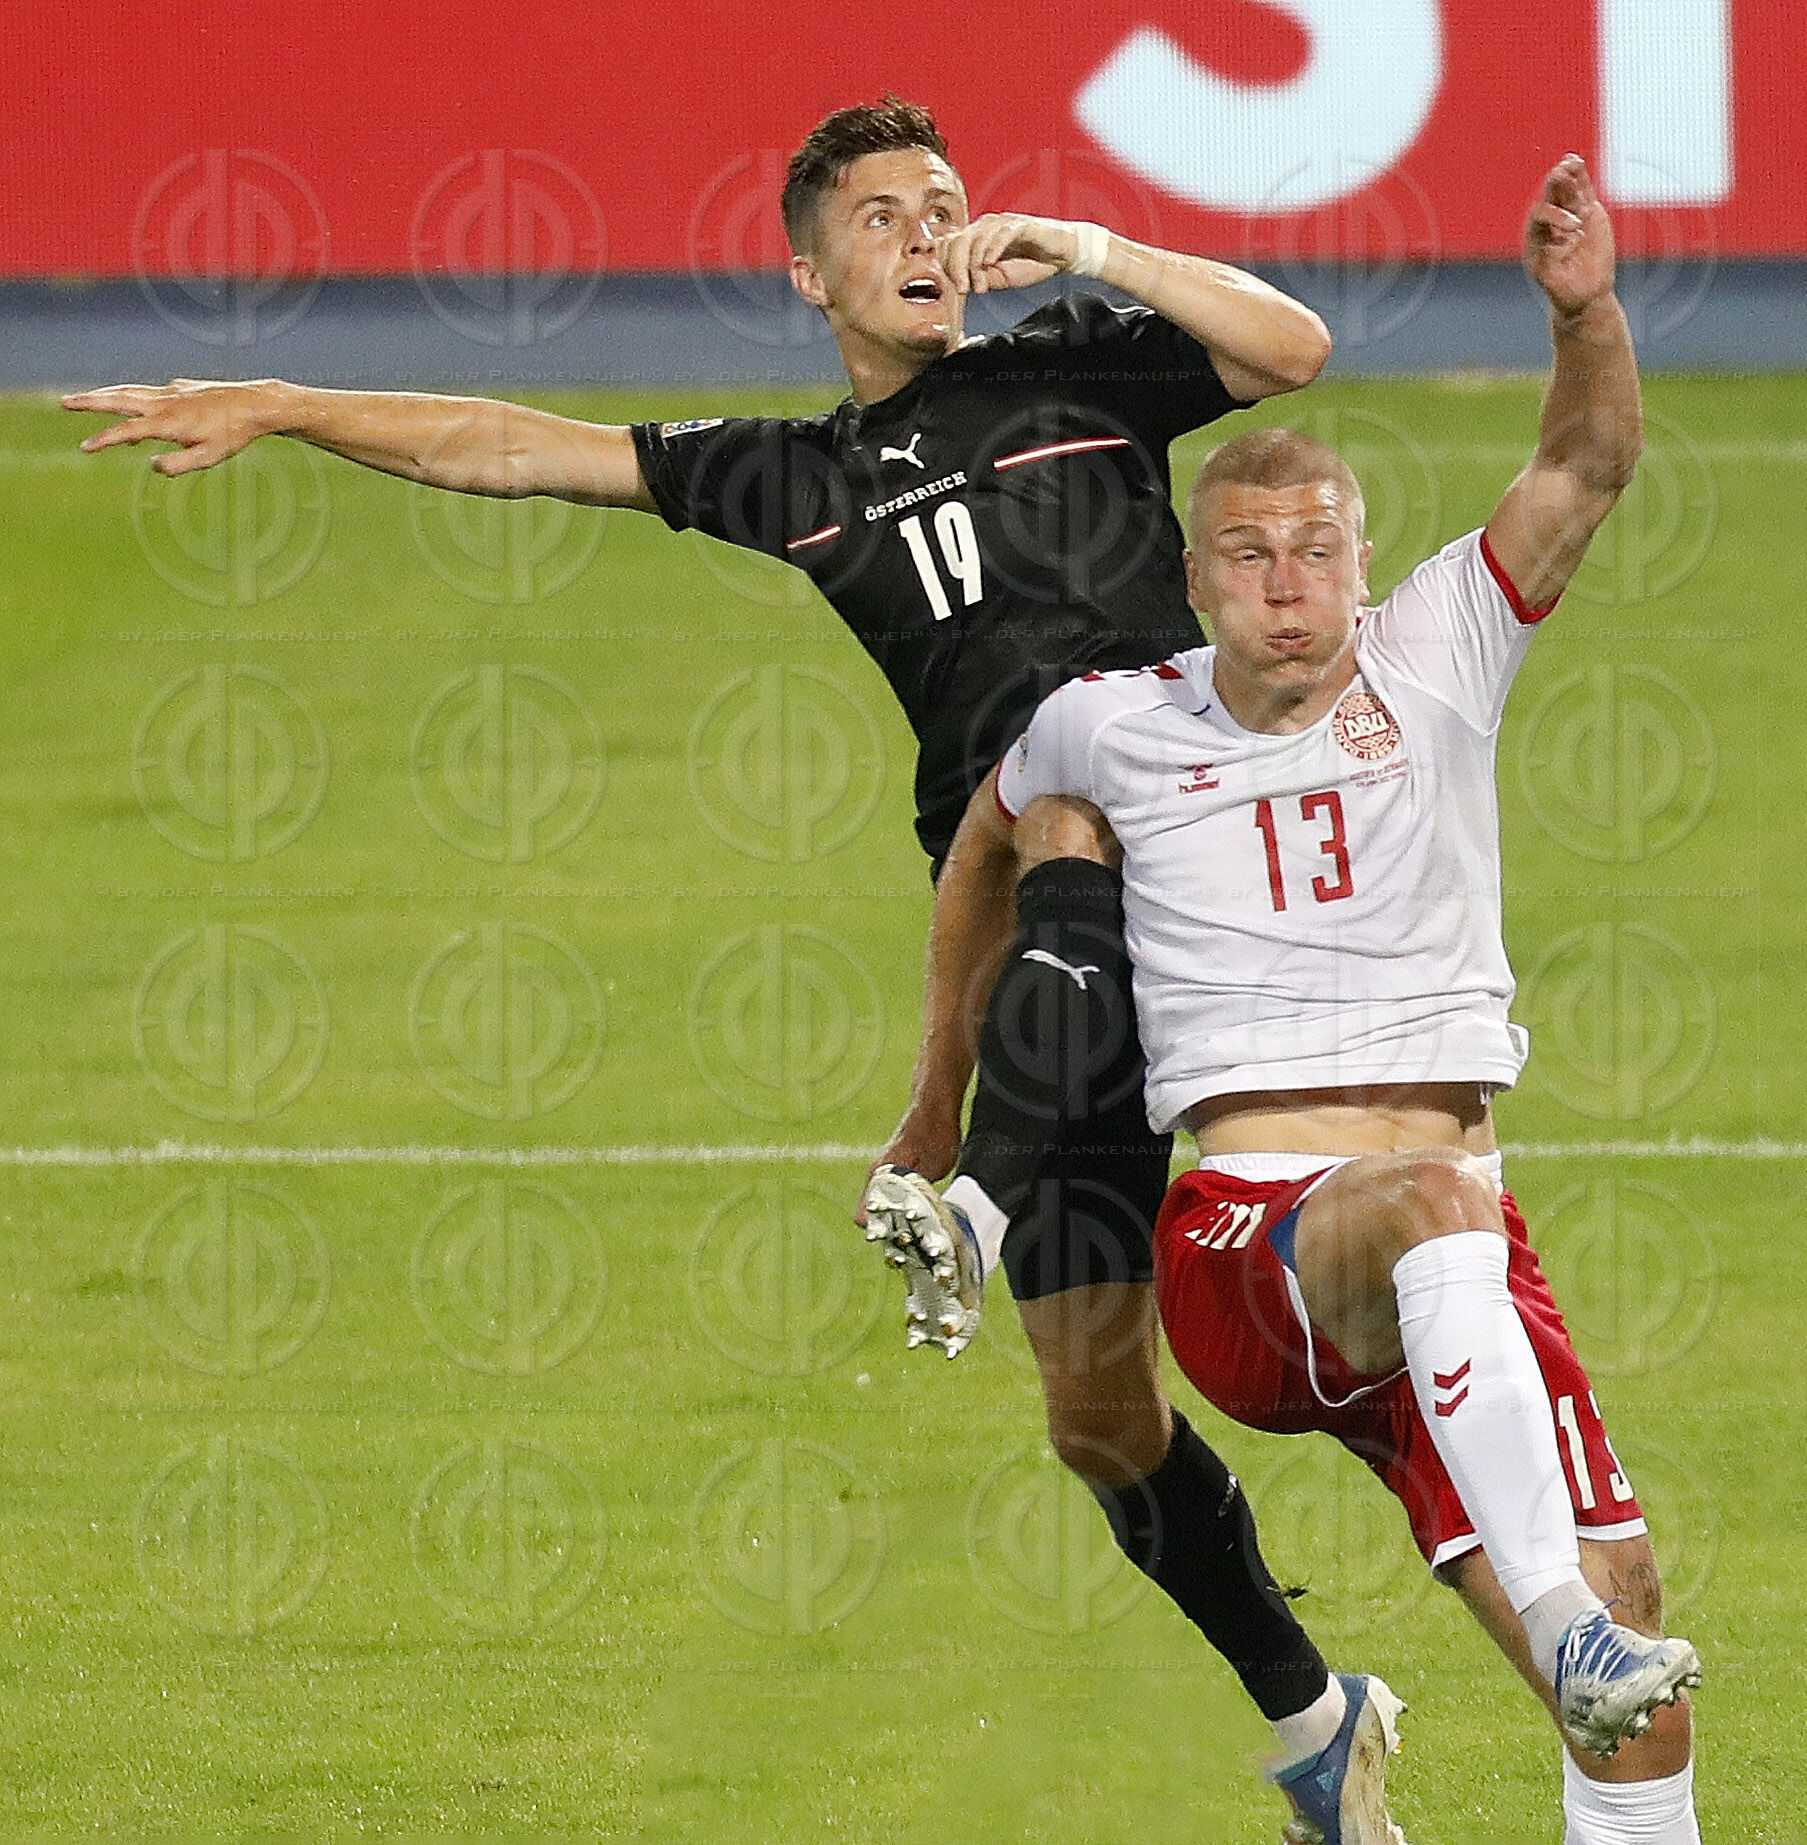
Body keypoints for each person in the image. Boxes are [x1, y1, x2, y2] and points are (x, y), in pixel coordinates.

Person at [66, 97, 1408, 1844]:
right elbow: (511, 443)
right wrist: (292, 403)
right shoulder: (798, 474)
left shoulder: (1079, 363)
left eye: (947, 205)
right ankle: (1318, 1718)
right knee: (1096, 1412)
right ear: (809, 273)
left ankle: (980, 1205)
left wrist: (1085, 244)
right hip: (1016, 930)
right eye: (884, 219)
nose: (930, 236)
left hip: (1188, 850)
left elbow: (1291, 345)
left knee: (1074, 801)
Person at [916, 155, 1704, 1842]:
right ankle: (1561, 1633)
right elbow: (981, 852)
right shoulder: (1109, 720)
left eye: (1320, 550)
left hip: (1464, 1250)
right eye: (1250, 553)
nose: (1290, 582)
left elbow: (1586, 459)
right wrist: (937, 1099)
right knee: (1438, 1238)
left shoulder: (1435, 654)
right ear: (1194, 583)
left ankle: (1587, 1653)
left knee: (1643, 1671)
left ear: (1365, 564)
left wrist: (1584, 311)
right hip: (1252, 1249)